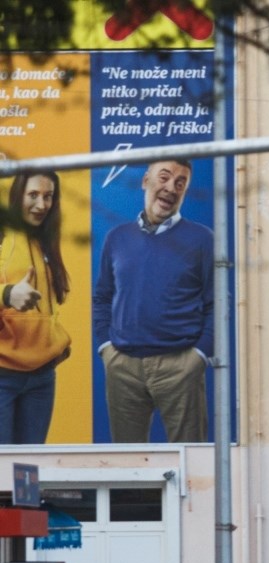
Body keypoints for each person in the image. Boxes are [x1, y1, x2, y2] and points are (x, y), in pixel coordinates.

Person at [93, 158, 213, 443]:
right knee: (128, 465)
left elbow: (217, 302)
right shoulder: (116, 238)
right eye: (164, 177)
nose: (171, 188)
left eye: (180, 183)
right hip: (123, 367)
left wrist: (198, 357)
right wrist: (106, 348)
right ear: (145, 181)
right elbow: (102, 298)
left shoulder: (202, 239)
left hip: (179, 365)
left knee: (191, 463)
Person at [0, 170, 72, 445]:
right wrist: (7, 294)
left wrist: (54, 340)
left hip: (41, 378)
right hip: (2, 376)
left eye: (48, 196)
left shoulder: (45, 239)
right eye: (33, 195)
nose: (41, 205)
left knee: (27, 474)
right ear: (18, 195)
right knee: (2, 476)